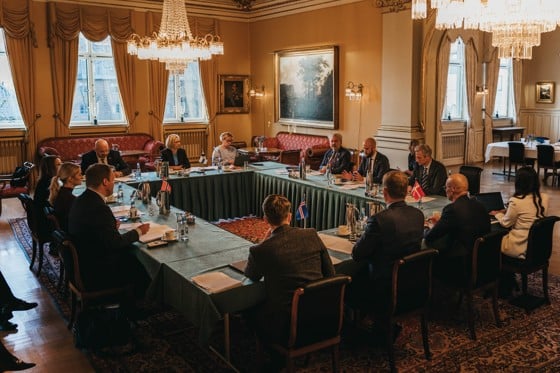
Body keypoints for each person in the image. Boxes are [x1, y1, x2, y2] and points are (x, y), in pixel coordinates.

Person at [244, 194, 335, 343]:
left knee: (248, 311)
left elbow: (251, 275)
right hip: (323, 315)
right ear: (290, 216)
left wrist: (263, 242)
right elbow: (330, 273)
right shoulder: (311, 234)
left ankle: (274, 356)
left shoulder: (261, 250)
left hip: (287, 324)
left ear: (265, 220)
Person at [68, 163, 150, 297]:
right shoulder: (99, 208)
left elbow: (96, 229)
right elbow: (115, 243)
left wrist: (110, 226)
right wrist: (138, 231)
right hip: (96, 269)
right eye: (113, 180)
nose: (114, 183)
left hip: (84, 259)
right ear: (105, 182)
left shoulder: (81, 199)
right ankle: (132, 307)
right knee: (141, 264)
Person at [424, 173, 491, 282]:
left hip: (461, 266)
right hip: (483, 261)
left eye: (446, 187)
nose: (445, 190)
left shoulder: (452, 209)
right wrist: (441, 222)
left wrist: (428, 227)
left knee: (428, 254)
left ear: (453, 189)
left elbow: (430, 237)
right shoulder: (480, 205)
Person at [490, 166, 549, 259]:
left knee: (489, 241)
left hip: (519, 246)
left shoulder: (516, 201)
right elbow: (528, 211)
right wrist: (509, 210)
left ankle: (497, 272)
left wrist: (497, 214)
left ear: (519, 183)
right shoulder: (544, 198)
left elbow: (506, 223)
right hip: (537, 246)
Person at [48, 162, 82, 232]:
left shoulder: (61, 191)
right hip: (70, 234)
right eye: (79, 175)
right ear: (70, 179)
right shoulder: (70, 199)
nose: (82, 177)